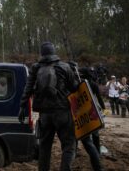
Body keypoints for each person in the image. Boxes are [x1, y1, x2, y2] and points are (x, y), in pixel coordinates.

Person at [18, 42, 78, 171]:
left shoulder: (36, 68)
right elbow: (74, 88)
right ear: (54, 52)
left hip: (45, 115)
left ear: (42, 54)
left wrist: (22, 105)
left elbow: (28, 88)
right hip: (63, 113)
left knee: (45, 147)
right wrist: (75, 73)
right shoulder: (64, 67)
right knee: (69, 146)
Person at [77, 67, 104, 170]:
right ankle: (97, 152)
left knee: (82, 135)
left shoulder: (79, 83)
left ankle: (75, 153)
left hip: (83, 111)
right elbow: (99, 97)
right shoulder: (93, 83)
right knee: (95, 133)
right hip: (93, 109)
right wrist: (103, 108)